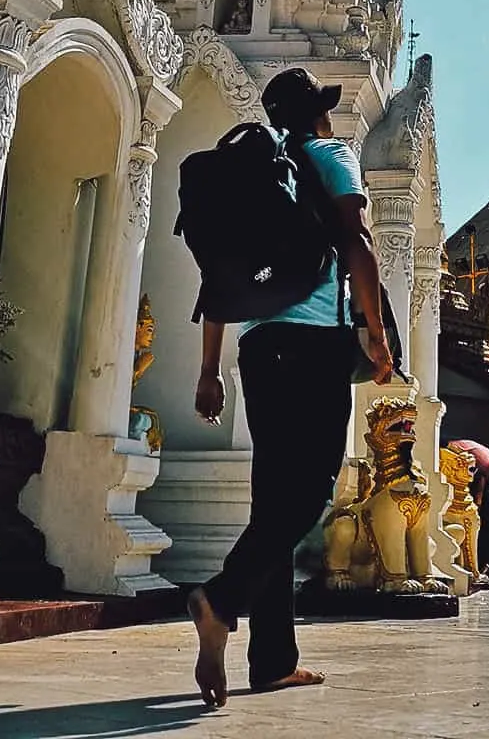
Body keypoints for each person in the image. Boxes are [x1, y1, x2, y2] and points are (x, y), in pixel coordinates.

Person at [186, 68, 394, 710]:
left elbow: (218, 280)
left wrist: (208, 369)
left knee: (273, 502)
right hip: (314, 348)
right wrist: (376, 331)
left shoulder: (255, 175)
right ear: (319, 115)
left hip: (258, 350)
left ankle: (273, 661)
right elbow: (357, 242)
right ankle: (221, 600)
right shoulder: (329, 155)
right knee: (309, 495)